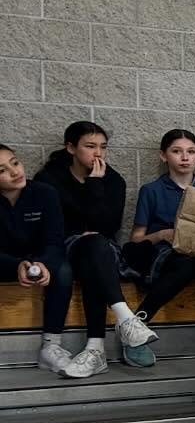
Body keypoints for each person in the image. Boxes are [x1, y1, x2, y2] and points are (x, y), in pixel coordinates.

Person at [33, 122, 159, 373]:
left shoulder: (113, 181)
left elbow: (107, 225)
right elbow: (56, 224)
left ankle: (96, 348)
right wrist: (84, 221)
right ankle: (123, 323)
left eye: (103, 147)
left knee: (96, 249)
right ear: (71, 148)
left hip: (100, 250)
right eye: (90, 146)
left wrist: (95, 186)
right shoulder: (50, 179)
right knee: (93, 248)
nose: (98, 153)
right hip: (63, 248)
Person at [125, 128, 195, 324]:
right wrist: (161, 235)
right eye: (176, 151)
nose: (185, 157)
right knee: (185, 262)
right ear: (163, 156)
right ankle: (139, 322)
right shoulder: (152, 190)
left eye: (191, 152)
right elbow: (136, 239)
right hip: (167, 256)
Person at [0, 143, 77, 375]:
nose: (15, 171)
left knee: (63, 270)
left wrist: (43, 263)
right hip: (4, 262)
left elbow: (55, 240)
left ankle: (51, 346)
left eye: (15, 162)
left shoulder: (44, 192)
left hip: (40, 260)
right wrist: (16, 266)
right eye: (1, 170)